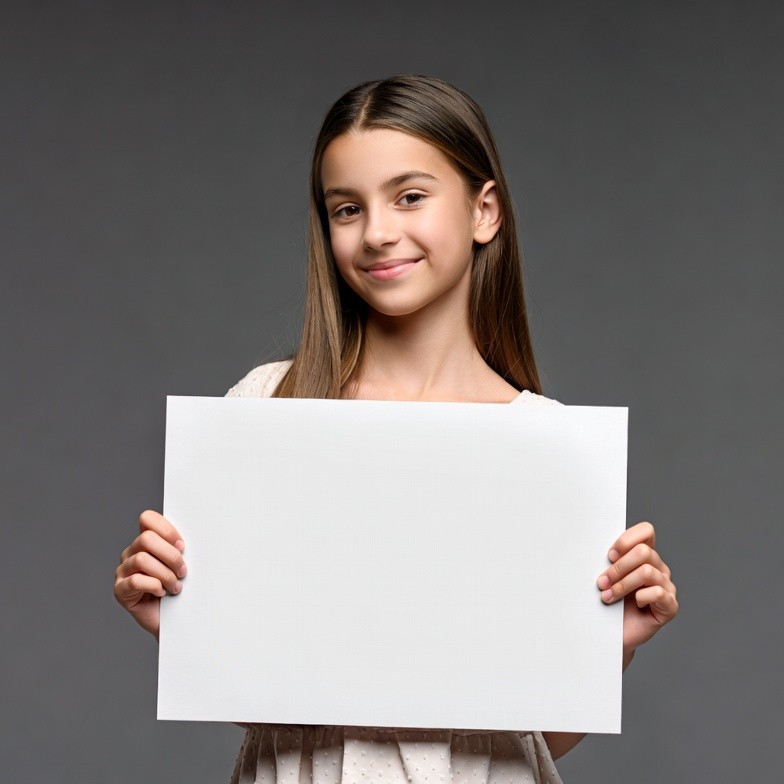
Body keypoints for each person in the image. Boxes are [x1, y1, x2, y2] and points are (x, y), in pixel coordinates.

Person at [114, 75, 678, 783]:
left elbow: (525, 740)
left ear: (485, 212)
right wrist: (179, 621)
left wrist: (612, 647)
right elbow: (275, 699)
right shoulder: (270, 405)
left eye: (410, 196)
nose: (378, 231)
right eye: (347, 208)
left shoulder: (548, 447)